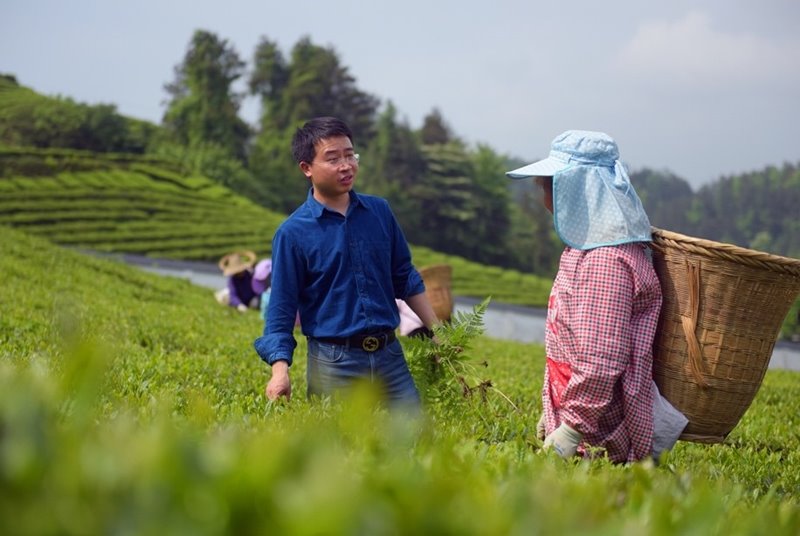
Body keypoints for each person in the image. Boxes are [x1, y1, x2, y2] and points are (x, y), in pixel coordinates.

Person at [506, 130, 687, 463]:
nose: (543, 196)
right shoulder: (587, 248)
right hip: (585, 422)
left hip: (599, 436)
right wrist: (554, 409)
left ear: (572, 189)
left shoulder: (607, 260)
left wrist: (573, 426)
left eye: (547, 185)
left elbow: (601, 359)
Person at [253, 116, 439, 406]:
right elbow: (281, 310)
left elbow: (404, 276)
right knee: (340, 448)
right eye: (333, 158)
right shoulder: (292, 233)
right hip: (333, 363)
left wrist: (440, 333)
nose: (346, 165)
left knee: (415, 442)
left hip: (390, 357)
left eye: (350, 155)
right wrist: (280, 372)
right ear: (307, 168)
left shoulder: (380, 212)